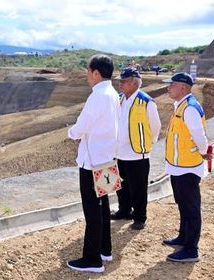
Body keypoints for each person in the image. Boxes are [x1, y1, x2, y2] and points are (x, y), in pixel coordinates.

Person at [66, 54, 120, 273]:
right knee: (104, 205)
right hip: (106, 158)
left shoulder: (98, 96)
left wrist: (71, 132)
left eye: (88, 71)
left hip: (92, 161)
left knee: (93, 209)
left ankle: (92, 259)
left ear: (96, 73)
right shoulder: (112, 93)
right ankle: (104, 250)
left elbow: (82, 126)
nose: (87, 75)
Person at [162, 72, 212, 262]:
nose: (168, 87)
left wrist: (203, 152)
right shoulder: (181, 106)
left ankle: (191, 249)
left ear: (182, 87)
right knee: (183, 204)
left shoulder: (189, 108)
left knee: (191, 208)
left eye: (172, 84)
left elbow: (199, 136)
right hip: (178, 166)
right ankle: (183, 237)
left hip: (188, 167)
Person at [112, 67, 161, 230]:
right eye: (120, 81)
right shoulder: (119, 99)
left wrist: (148, 144)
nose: (120, 84)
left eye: (124, 81)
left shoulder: (146, 101)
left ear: (134, 83)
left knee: (138, 187)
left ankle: (139, 217)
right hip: (120, 152)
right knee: (121, 185)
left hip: (137, 153)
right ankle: (124, 210)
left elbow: (155, 126)